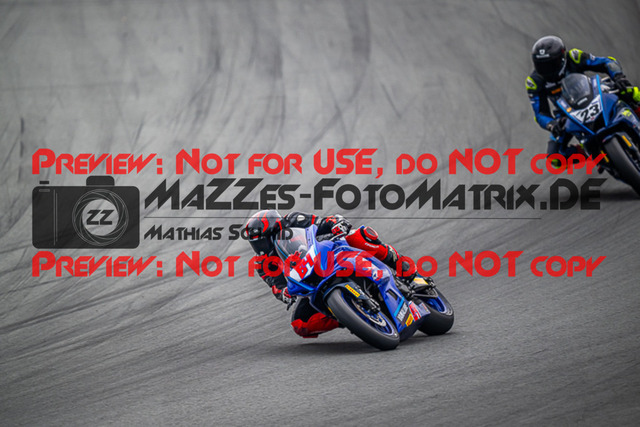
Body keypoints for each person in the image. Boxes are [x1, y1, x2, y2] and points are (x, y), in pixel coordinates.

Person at [244, 210, 420, 338]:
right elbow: (277, 286)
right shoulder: (263, 263)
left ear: (275, 229)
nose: (260, 246)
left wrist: (336, 223)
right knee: (300, 324)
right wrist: (284, 294)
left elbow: (322, 222)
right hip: (311, 281)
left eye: (262, 240)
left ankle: (408, 272)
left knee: (358, 235)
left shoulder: (293, 219)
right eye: (255, 242)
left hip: (329, 252)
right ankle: (349, 315)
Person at [526, 35, 640, 168]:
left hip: (594, 92)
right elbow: (540, 113)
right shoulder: (534, 82)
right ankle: (590, 152)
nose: (547, 70)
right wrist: (551, 124)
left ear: (562, 58)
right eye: (541, 66)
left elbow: (607, 62)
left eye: (551, 64)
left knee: (632, 93)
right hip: (566, 113)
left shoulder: (574, 57)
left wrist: (619, 77)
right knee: (555, 158)